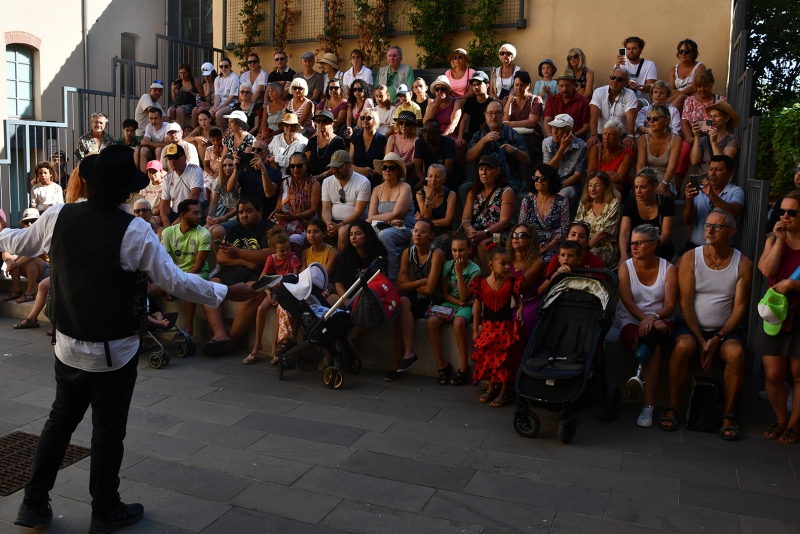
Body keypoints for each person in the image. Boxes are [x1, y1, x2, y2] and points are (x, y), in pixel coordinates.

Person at [4, 145, 253, 532]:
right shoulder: (134, 230)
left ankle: (33, 503)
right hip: (114, 350)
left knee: (60, 421)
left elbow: (17, 243)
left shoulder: (58, 216)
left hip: (69, 343)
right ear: (125, 193)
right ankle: (105, 509)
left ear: (88, 183)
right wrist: (224, 291)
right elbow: (174, 281)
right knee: (107, 429)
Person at [661, 209, 751, 439]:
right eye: (707, 225)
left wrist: (718, 338)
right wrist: (702, 340)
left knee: (737, 353)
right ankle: (672, 404)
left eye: (716, 226)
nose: (709, 230)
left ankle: (728, 412)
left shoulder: (743, 263)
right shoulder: (691, 257)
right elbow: (685, 302)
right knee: (683, 347)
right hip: (691, 327)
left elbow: (740, 308)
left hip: (725, 331)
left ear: (732, 232)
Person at [616, 224, 678, 428]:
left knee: (651, 343)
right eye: (632, 243)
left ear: (653, 245)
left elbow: (670, 305)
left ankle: (641, 384)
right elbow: (627, 301)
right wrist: (646, 319)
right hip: (633, 319)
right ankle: (648, 405)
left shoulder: (668, 268)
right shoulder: (625, 267)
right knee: (656, 348)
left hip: (661, 319)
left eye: (639, 243)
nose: (633, 247)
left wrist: (653, 317)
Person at [201, 197, 273, 357]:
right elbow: (220, 256)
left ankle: (231, 340)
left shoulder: (269, 229)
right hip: (234, 270)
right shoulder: (234, 229)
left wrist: (238, 252)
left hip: (258, 273)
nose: (244, 216)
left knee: (253, 292)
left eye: (248, 211)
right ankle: (220, 335)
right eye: (240, 212)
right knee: (209, 287)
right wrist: (244, 259)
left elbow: (268, 256)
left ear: (259, 211)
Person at [758, 191, 800, 444]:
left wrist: (795, 286)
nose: (785, 216)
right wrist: (780, 241)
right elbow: (766, 270)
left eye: (792, 213)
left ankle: (794, 424)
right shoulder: (773, 238)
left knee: (798, 373)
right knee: (773, 374)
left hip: (799, 312)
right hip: (775, 313)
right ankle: (781, 419)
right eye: (781, 211)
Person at [471, 243, 523, 406]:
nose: (508, 267)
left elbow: (518, 297)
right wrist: (475, 329)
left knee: (504, 360)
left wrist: (520, 309)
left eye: (509, 263)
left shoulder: (511, 282)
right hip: (488, 328)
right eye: (503, 263)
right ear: (491, 265)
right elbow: (478, 305)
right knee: (489, 359)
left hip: (505, 328)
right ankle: (491, 388)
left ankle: (503, 391)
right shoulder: (480, 283)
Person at [393, 218, 445, 379]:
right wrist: (418, 282)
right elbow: (401, 286)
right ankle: (408, 353)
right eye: (415, 230)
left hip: (431, 298)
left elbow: (430, 289)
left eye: (422, 231)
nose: (417, 234)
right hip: (414, 294)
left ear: (431, 235)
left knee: (401, 315)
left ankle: (397, 363)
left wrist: (410, 283)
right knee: (400, 304)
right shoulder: (407, 252)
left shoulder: (437, 253)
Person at [427, 233, 481, 386]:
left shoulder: (474, 269)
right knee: (431, 322)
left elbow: (465, 296)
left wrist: (458, 273)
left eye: (462, 250)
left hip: (465, 303)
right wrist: (460, 304)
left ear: (470, 250)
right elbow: (445, 294)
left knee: (458, 323)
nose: (458, 254)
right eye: (455, 250)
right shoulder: (447, 266)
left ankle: (464, 366)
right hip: (452, 302)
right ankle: (441, 364)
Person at [246, 226, 301, 365]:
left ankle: (275, 347)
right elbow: (262, 279)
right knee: (260, 310)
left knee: (279, 311)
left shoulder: (293, 258)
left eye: (287, 249)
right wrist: (269, 293)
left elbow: (295, 278)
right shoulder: (271, 259)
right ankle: (257, 345)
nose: (285, 252)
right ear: (274, 250)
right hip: (274, 291)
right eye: (281, 251)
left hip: (287, 292)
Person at [158, 199, 211, 341]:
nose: (199, 216)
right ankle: (150, 329)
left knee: (189, 284)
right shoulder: (168, 232)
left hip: (197, 273)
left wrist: (176, 283)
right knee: (150, 289)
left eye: (199, 212)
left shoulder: (204, 233)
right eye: (195, 213)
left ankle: (189, 328)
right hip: (174, 274)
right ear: (182, 215)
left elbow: (198, 266)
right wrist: (170, 284)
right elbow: (167, 263)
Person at [464, 100, 530, 198]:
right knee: (463, 189)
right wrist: (483, 141)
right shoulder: (479, 135)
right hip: (482, 177)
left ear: (503, 115)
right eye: (490, 113)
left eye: (497, 113)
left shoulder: (512, 135)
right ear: (485, 115)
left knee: (505, 192)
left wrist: (515, 150)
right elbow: (469, 158)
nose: (494, 116)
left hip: (507, 178)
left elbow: (527, 161)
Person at [367, 153, 416, 280]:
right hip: (383, 225)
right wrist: (388, 221)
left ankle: (393, 278)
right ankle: (369, 276)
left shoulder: (405, 187)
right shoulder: (377, 189)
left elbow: (397, 213)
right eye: (384, 167)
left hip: (404, 227)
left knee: (385, 235)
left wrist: (377, 219)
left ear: (398, 171)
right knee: (363, 232)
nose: (387, 170)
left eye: (391, 168)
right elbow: (371, 215)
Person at [461, 155, 517, 268]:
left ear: (497, 171)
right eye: (481, 169)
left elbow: (504, 221)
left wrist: (485, 232)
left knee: (484, 244)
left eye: (488, 169)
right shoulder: (473, 192)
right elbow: (465, 218)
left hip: (499, 233)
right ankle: (467, 279)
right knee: (463, 243)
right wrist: (470, 230)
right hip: (477, 232)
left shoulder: (506, 191)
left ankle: (490, 280)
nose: (484, 173)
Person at [682, 155, 743, 252]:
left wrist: (711, 195)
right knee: (678, 265)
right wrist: (689, 200)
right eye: (711, 169)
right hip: (696, 246)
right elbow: (687, 220)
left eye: (718, 170)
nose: (712, 174)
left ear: (730, 173)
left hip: (723, 248)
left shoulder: (735, 191)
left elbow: (733, 213)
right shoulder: (700, 189)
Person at [620, 168, 675, 263]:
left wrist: (647, 249)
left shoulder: (666, 202)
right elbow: (624, 232)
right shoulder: (631, 203)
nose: (638, 191)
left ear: (654, 186)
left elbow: (665, 235)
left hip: (659, 248)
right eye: (636, 187)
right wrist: (624, 254)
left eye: (643, 187)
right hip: (635, 250)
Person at [321, 150, 371, 250]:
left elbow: (358, 212)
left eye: (339, 167)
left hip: (356, 221)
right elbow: (326, 209)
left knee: (343, 231)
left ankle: (340, 263)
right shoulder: (327, 181)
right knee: (314, 230)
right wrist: (328, 224)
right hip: (333, 221)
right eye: (333, 167)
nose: (335, 171)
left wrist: (339, 225)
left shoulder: (363, 182)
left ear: (349, 165)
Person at [270, 152, 320, 251]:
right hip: (285, 221)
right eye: (292, 166)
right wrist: (280, 213)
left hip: (306, 223)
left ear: (306, 166)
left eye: (299, 166)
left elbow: (314, 209)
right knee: (270, 234)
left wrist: (295, 217)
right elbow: (279, 206)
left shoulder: (314, 184)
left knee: (292, 239)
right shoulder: (285, 183)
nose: (295, 169)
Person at [519, 164, 569, 263]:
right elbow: (521, 227)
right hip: (530, 243)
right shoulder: (527, 202)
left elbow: (564, 228)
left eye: (543, 178)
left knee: (544, 260)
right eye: (535, 178)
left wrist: (550, 245)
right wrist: (531, 245)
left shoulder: (562, 202)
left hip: (553, 245)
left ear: (551, 179)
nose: (539, 181)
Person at [508, 223, 545, 344]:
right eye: (514, 235)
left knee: (516, 323)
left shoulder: (537, 262)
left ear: (530, 241)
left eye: (522, 235)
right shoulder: (507, 259)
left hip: (529, 303)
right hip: (509, 302)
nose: (516, 238)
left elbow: (521, 288)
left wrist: (503, 266)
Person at [2, 209, 48, 304]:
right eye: (26, 222)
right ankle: (17, 290)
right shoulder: (22, 234)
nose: (29, 224)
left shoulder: (43, 233)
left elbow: (33, 254)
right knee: (11, 258)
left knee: (31, 260)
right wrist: (9, 262)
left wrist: (16, 264)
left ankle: (30, 292)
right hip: (29, 270)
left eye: (33, 221)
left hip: (47, 271)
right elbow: (4, 250)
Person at [333, 220, 386, 303]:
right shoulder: (347, 253)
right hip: (348, 296)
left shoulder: (379, 254)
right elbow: (338, 281)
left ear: (367, 235)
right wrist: (346, 301)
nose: (353, 237)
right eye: (351, 234)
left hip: (370, 299)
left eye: (358, 234)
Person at [576, 171, 621, 269]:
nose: (592, 189)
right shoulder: (585, 202)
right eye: (590, 185)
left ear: (606, 187)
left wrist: (585, 250)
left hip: (606, 248)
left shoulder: (613, 203)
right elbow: (577, 227)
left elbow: (603, 233)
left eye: (597, 185)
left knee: (586, 257)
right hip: (583, 246)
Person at [637, 104, 683, 197]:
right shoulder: (643, 139)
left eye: (656, 119)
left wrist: (663, 183)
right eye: (649, 118)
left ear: (667, 121)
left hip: (666, 181)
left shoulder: (676, 140)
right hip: (646, 179)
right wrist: (643, 183)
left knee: (662, 196)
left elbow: (672, 167)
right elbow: (640, 165)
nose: (651, 122)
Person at [227, 138, 281, 219]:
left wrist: (263, 169)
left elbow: (269, 194)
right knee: (217, 230)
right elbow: (230, 188)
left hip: (263, 217)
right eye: (253, 149)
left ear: (267, 153)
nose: (255, 152)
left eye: (259, 150)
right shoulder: (245, 171)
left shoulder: (275, 172)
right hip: (243, 217)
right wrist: (236, 169)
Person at [542, 114, 588, 204]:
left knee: (560, 197)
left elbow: (577, 176)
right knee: (531, 197)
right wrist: (562, 148)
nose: (554, 132)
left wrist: (557, 187)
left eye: (559, 128)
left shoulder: (582, 146)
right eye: (553, 127)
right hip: (549, 181)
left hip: (570, 185)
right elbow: (546, 171)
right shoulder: (547, 142)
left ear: (569, 131)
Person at [689, 101, 741, 177]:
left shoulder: (732, 139)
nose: (712, 119)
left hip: (720, 184)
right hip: (702, 183)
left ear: (726, 118)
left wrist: (713, 143)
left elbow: (723, 164)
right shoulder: (703, 139)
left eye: (716, 116)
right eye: (710, 117)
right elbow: (694, 161)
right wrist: (697, 137)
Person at [589, 69, 637, 147]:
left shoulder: (630, 94)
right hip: (601, 134)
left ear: (626, 83)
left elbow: (631, 117)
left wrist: (630, 136)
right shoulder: (599, 92)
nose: (615, 80)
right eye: (613, 77)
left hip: (621, 135)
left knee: (630, 146)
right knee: (591, 145)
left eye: (619, 79)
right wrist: (594, 135)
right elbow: (594, 115)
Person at [502, 71, 544, 160]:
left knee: (520, 140)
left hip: (531, 136)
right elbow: (506, 118)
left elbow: (532, 122)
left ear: (528, 85)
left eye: (522, 85)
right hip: (512, 134)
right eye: (516, 85)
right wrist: (509, 101)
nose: (519, 88)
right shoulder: (507, 99)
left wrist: (510, 124)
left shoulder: (536, 100)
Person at [159, 143, 205, 224]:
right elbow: (164, 204)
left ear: (185, 157)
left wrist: (181, 219)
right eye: (170, 158)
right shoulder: (167, 177)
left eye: (176, 157)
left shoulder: (195, 170)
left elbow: (194, 195)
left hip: (192, 213)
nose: (172, 160)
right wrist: (166, 222)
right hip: (175, 213)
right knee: (156, 222)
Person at [588, 119, 634, 198]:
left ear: (619, 137)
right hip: (597, 184)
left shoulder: (627, 153)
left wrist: (600, 174)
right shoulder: (595, 149)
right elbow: (590, 173)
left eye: (610, 134)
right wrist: (609, 173)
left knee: (607, 188)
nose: (606, 137)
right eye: (605, 133)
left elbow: (619, 178)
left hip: (619, 186)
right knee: (591, 187)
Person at [416, 164, 457, 251]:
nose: (433, 180)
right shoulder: (420, 194)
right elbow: (427, 217)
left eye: (437, 177)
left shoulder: (451, 194)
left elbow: (447, 221)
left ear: (444, 179)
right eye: (430, 176)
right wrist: (428, 197)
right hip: (426, 231)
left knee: (433, 247)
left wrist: (423, 221)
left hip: (444, 231)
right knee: (416, 242)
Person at [457, 71, 495, 162]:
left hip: (488, 133)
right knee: (459, 145)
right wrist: (460, 136)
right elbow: (464, 119)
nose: (476, 87)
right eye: (473, 85)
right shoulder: (469, 102)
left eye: (478, 84)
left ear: (487, 85)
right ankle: (463, 173)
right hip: (472, 134)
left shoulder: (493, 102)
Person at [680, 69, 726, 143]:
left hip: (714, 139)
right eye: (699, 86)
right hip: (693, 139)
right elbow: (684, 122)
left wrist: (695, 125)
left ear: (712, 83)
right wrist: (689, 137)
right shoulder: (690, 101)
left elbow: (722, 123)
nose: (702, 89)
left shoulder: (720, 101)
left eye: (705, 86)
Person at [543, 69, 591, 139]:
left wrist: (572, 137)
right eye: (561, 85)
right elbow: (547, 121)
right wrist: (550, 137)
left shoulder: (584, 101)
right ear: (558, 85)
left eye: (567, 85)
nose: (564, 89)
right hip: (554, 138)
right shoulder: (551, 100)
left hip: (576, 139)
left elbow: (587, 126)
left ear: (574, 85)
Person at [414, 119, 458, 190]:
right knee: (412, 184)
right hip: (429, 177)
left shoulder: (449, 143)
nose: (426, 134)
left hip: (446, 177)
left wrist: (430, 180)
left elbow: (448, 171)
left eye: (430, 132)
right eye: (424, 131)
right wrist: (426, 179)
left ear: (439, 133)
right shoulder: (419, 143)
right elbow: (417, 169)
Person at [349, 108, 388, 186]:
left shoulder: (382, 140)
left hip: (376, 178)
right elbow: (350, 163)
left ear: (375, 120)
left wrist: (374, 172)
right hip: (356, 177)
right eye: (362, 118)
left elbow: (386, 162)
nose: (365, 120)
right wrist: (362, 171)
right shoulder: (355, 139)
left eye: (368, 118)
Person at [306, 110, 347, 180]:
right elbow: (306, 161)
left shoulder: (338, 141)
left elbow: (338, 164)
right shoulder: (312, 140)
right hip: (311, 177)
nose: (321, 123)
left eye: (324, 121)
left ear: (331, 123)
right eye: (318, 121)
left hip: (329, 177)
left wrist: (321, 176)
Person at [667, 39, 705, 110]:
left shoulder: (700, 67)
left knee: (682, 97)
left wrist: (676, 96)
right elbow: (670, 90)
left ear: (693, 53)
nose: (683, 54)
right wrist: (679, 95)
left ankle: (665, 114)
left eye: (686, 51)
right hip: (678, 100)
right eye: (680, 51)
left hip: (693, 99)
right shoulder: (673, 69)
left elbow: (694, 88)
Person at [386, 111, 419, 186]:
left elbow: (414, 163)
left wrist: (397, 168)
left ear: (412, 126)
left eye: (407, 124)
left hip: (409, 177)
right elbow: (387, 159)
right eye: (401, 122)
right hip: (392, 174)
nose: (403, 126)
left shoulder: (416, 141)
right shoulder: (392, 138)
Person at [206, 154, 239, 228]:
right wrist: (209, 215)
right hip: (222, 212)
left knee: (214, 230)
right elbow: (214, 203)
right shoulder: (219, 180)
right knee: (205, 228)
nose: (227, 168)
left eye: (230, 165)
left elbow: (240, 206)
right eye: (224, 165)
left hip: (236, 215)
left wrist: (224, 218)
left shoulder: (239, 179)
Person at [767, 164, 800, 234]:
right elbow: (769, 230)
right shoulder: (783, 202)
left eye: (792, 213)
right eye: (797, 170)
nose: (799, 173)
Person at [168, 63, 202, 128]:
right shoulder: (178, 82)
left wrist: (190, 92)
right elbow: (175, 99)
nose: (182, 75)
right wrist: (172, 90)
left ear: (189, 72)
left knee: (179, 110)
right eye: (180, 73)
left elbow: (202, 96)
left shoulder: (195, 81)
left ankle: (182, 131)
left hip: (191, 103)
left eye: (184, 73)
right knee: (171, 109)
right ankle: (171, 131)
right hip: (180, 103)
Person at [210, 57, 240, 130]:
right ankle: (213, 134)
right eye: (221, 66)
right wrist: (215, 106)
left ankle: (225, 136)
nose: (223, 68)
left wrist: (219, 108)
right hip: (220, 104)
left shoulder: (234, 77)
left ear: (230, 66)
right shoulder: (217, 79)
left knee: (218, 114)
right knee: (209, 114)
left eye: (226, 66)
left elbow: (231, 97)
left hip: (232, 104)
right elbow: (217, 95)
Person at [140, 107, 170, 172]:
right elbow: (143, 144)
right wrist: (149, 144)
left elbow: (166, 144)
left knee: (158, 150)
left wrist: (148, 143)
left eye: (156, 118)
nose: (153, 121)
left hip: (165, 152)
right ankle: (143, 177)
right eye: (151, 118)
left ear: (161, 119)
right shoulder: (148, 127)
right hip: (152, 151)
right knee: (143, 150)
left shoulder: (167, 127)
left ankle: (158, 173)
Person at [191, 63, 217, 128]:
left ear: (212, 73)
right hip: (208, 103)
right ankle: (195, 130)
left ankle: (203, 129)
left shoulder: (218, 82)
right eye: (205, 75)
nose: (206, 77)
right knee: (194, 110)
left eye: (208, 75)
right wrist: (207, 84)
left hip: (215, 103)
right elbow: (207, 98)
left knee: (201, 109)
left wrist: (207, 103)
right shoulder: (205, 85)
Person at [140, 160, 165, 226]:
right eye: (150, 172)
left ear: (161, 171)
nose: (152, 175)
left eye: (155, 172)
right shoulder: (146, 185)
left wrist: (151, 215)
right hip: (147, 212)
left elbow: (161, 207)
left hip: (158, 214)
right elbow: (144, 201)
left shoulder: (165, 186)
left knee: (156, 221)